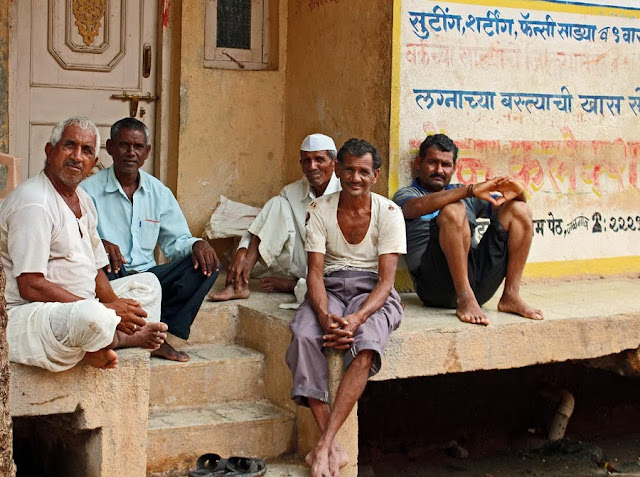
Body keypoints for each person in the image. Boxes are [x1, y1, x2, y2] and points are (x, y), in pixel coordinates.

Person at [0, 116, 168, 372]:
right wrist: (108, 311)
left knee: (148, 285)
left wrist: (117, 307)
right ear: (50, 151)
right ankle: (105, 339)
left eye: (86, 150)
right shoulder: (34, 202)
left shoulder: (83, 200)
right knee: (92, 317)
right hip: (28, 315)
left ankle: (105, 338)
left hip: (78, 306)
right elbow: (30, 285)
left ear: (94, 163)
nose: (77, 157)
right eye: (69, 146)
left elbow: (96, 268)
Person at [285, 139, 406, 477]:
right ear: (337, 169)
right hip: (330, 288)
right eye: (349, 169)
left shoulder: (390, 214)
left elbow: (385, 282)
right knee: (305, 335)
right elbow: (314, 274)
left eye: (363, 171)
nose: (355, 177)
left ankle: (324, 445)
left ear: (375, 175)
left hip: (371, 293)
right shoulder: (320, 210)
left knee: (366, 344)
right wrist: (324, 315)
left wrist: (356, 319)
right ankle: (332, 445)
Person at [80, 117, 219, 362]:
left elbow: (176, 242)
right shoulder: (88, 191)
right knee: (100, 262)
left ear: (147, 152)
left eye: (138, 147)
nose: (131, 153)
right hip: (111, 277)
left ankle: (159, 332)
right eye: (124, 145)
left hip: (149, 277)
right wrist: (98, 244)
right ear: (110, 148)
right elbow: (74, 240)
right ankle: (134, 333)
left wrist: (198, 243)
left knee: (206, 266)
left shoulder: (159, 193)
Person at [392, 133, 543, 326]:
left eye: (446, 165)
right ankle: (464, 297)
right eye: (432, 162)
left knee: (519, 209)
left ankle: (510, 296)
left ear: (454, 168)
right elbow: (413, 208)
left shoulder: (467, 194)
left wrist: (518, 191)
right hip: (435, 287)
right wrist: (469, 190)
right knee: (453, 209)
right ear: (419, 163)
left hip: (477, 283)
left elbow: (508, 209)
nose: (439, 170)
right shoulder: (407, 194)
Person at [209, 133, 341, 302]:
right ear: (301, 164)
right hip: (304, 262)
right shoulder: (291, 192)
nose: (312, 166)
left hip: (334, 268)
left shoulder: (346, 192)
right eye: (306, 161)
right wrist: (242, 249)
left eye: (319, 160)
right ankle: (239, 285)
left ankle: (293, 285)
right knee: (276, 204)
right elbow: (265, 223)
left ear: (334, 163)